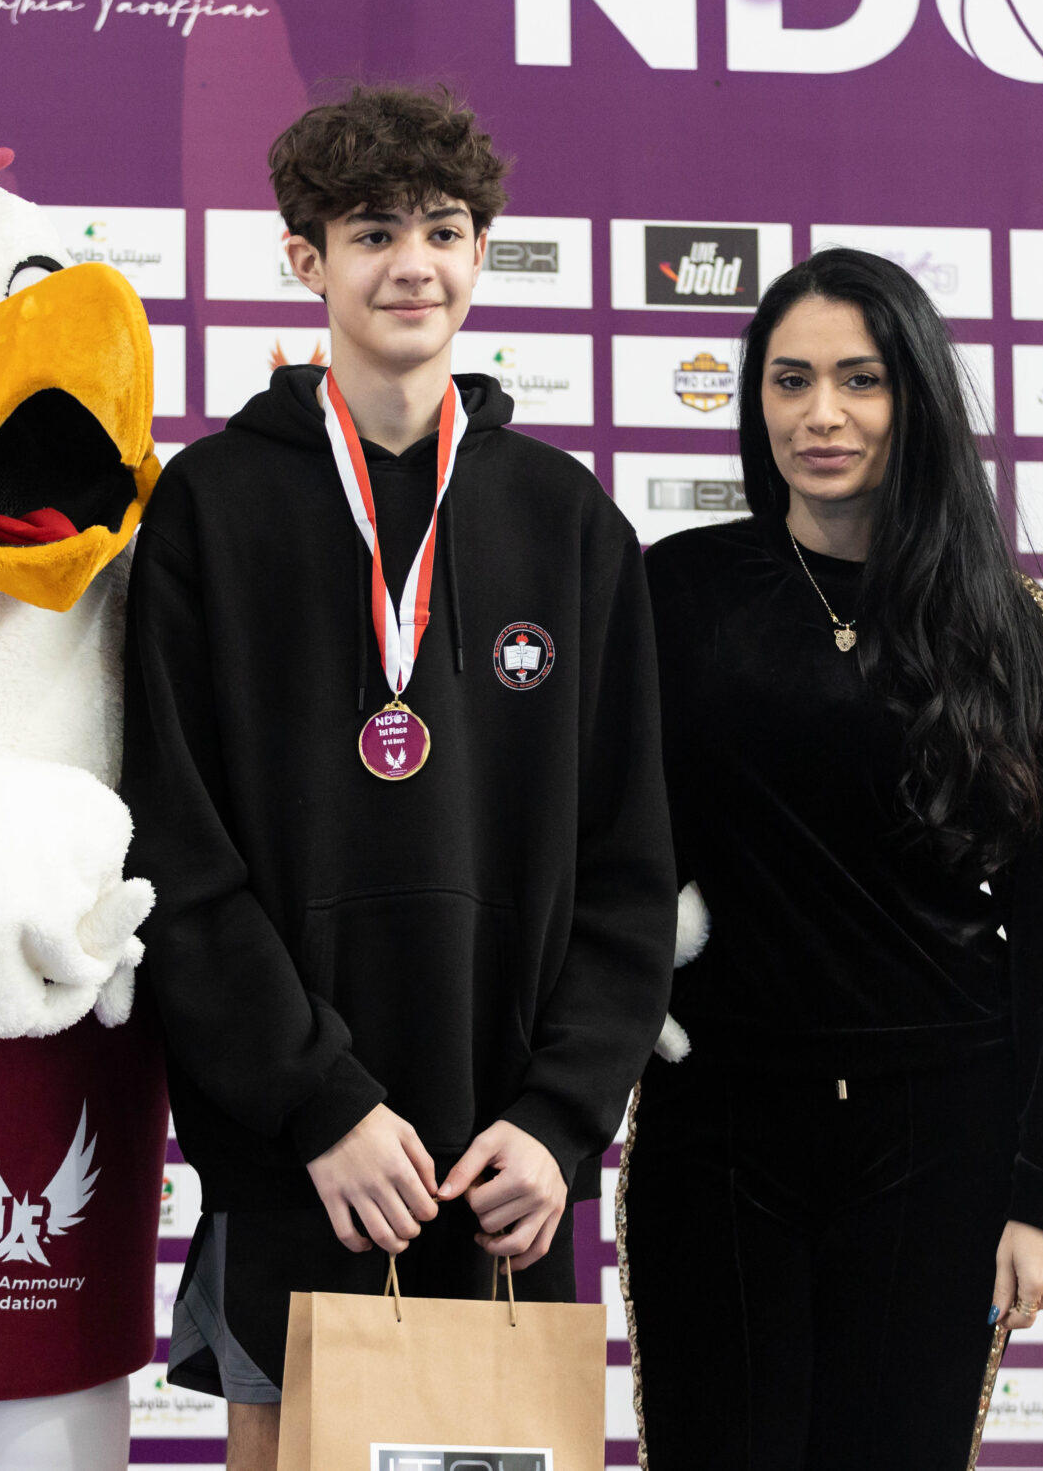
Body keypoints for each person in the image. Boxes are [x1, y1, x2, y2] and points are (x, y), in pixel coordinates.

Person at [120, 85, 676, 1469]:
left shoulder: (568, 522)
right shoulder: (209, 507)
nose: (412, 264)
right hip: (300, 1152)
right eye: (372, 232)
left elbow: (628, 870)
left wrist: (558, 1120)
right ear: (304, 258)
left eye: (442, 229)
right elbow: (174, 851)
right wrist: (316, 1102)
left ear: (482, 250)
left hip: (505, 1170)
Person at [620, 247, 1043, 1469]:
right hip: (719, 1129)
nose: (821, 415)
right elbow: (600, 853)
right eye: (789, 381)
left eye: (860, 380)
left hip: (936, 1139)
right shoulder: (674, 591)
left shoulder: (1000, 618)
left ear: (916, 399)